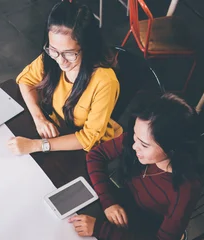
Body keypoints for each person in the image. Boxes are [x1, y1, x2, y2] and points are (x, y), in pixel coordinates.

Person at [70, 93, 201, 240]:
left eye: (144, 145)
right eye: (135, 137)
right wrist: (108, 201)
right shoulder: (139, 138)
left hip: (141, 232)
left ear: (172, 149)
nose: (134, 146)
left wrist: (101, 229)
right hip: (119, 207)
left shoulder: (185, 189)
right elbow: (95, 155)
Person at [8, 0, 122, 156]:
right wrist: (39, 118)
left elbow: (87, 138)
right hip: (60, 131)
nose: (61, 60)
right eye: (53, 50)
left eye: (70, 53)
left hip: (92, 150)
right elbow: (25, 80)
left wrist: (37, 145)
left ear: (87, 47)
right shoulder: (51, 57)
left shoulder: (105, 82)